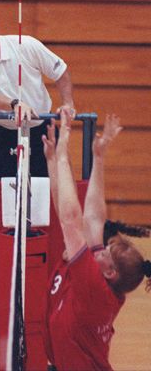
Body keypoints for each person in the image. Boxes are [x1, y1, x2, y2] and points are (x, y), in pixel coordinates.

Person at [41, 108, 151, 370]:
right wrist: (97, 157)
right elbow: (92, 218)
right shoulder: (98, 274)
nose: (99, 248)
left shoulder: (94, 288)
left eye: (105, 252)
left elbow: (71, 219)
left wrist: (64, 146)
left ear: (110, 272)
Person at [0, 4, 75, 180]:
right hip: (2, 134)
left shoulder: (25, 44)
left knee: (50, 194)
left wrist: (68, 103)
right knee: (3, 197)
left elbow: (60, 71)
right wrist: (15, 104)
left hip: (42, 130)